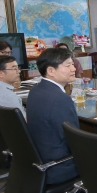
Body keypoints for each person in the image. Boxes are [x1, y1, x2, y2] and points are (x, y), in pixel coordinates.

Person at [26, 48, 79, 184]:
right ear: (50, 71)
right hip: (59, 165)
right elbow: (74, 140)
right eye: (68, 65)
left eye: (73, 64)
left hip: (38, 158)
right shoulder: (60, 99)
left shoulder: (35, 91)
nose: (74, 68)